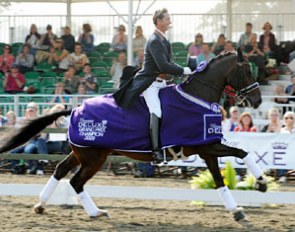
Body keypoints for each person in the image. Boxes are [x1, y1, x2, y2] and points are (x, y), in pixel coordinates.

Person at [113, 8, 192, 163]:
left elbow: (169, 63)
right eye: (167, 18)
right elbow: (163, 66)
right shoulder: (154, 40)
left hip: (164, 83)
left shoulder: (164, 40)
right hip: (151, 84)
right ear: (159, 21)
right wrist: (183, 70)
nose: (170, 21)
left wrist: (182, 71)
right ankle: (155, 151)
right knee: (157, 111)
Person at [278, 111, 295, 183]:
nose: (289, 119)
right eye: (286, 118)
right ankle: (282, 175)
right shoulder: (281, 130)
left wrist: (291, 130)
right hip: (284, 151)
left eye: (291, 118)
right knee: (281, 156)